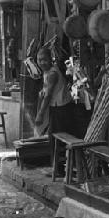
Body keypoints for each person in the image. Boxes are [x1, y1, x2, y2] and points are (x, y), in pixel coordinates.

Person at [34, 47, 73, 175]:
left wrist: (40, 114)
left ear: (50, 59)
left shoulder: (52, 73)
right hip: (56, 108)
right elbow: (46, 91)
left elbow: (49, 95)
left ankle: (59, 169)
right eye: (39, 60)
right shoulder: (48, 72)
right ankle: (58, 168)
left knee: (56, 139)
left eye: (44, 59)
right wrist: (42, 92)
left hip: (61, 108)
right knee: (53, 138)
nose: (41, 62)